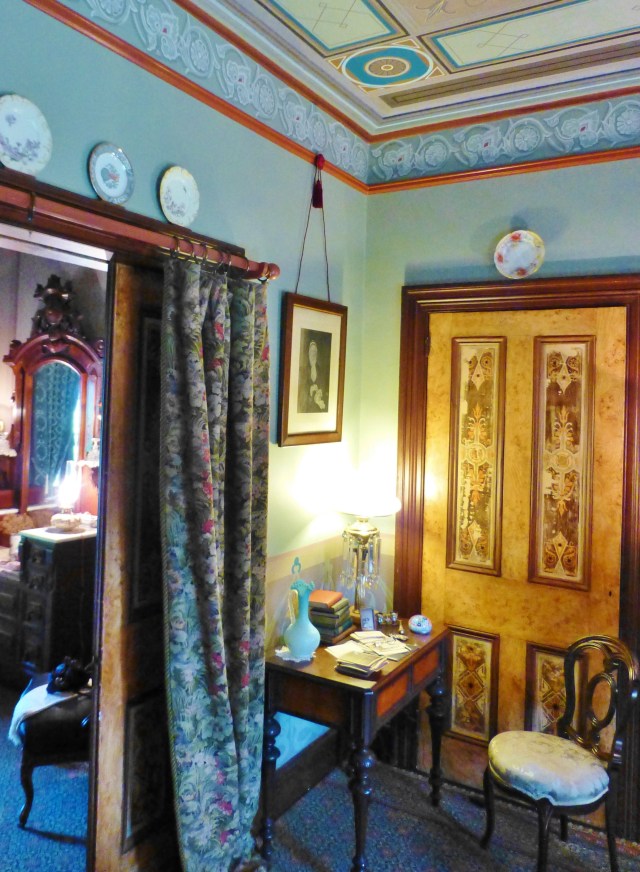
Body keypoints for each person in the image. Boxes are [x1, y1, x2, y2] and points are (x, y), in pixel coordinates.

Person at [297, 337, 329, 412]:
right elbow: (298, 393)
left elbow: (326, 390)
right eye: (311, 351)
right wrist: (310, 391)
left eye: (315, 351)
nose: (313, 354)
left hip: (319, 411)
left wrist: (321, 394)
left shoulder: (321, 371)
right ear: (308, 354)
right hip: (306, 411)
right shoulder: (302, 371)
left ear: (317, 354)